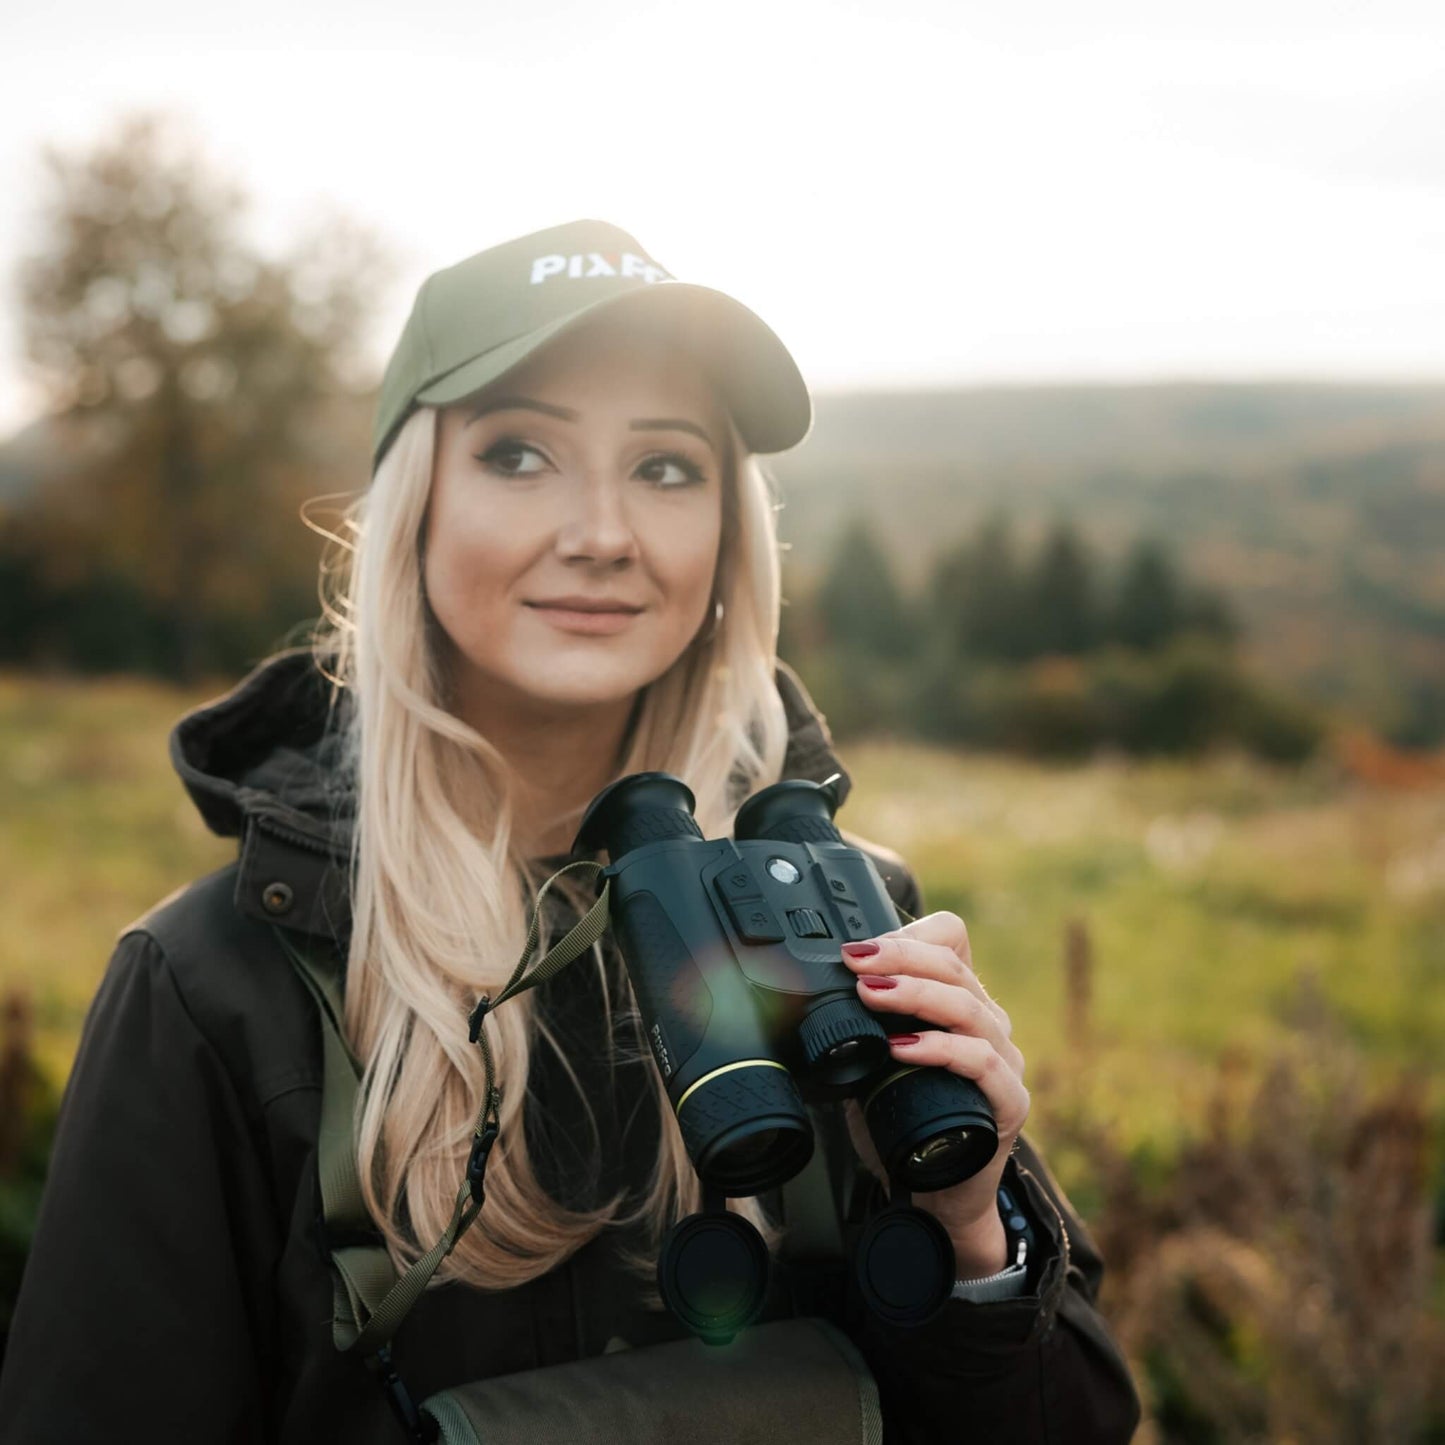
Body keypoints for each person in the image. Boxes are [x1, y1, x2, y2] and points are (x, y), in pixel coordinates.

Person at [0, 219, 1141, 1443]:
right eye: (519, 452)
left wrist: (971, 1227)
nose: (601, 532)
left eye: (663, 468)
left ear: (725, 537)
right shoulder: (219, 986)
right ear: (415, 507)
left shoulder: (839, 917)